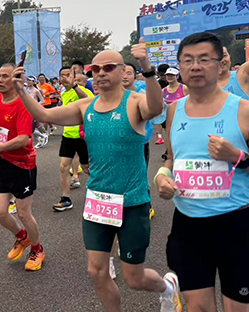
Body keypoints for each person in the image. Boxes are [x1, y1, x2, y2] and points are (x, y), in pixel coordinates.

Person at [13, 40, 183, 311]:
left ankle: (167, 288)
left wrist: (147, 68)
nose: (101, 73)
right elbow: (44, 114)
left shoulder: (135, 102)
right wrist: (21, 89)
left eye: (109, 67)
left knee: (134, 277)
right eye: (96, 69)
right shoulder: (86, 107)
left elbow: (154, 108)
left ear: (122, 71)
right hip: (98, 201)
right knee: (96, 271)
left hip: (132, 201)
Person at [155, 32, 249, 311]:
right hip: (188, 224)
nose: (195, 67)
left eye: (204, 59)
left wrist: (238, 157)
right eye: (187, 60)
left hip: (236, 223)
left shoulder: (245, 111)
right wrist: (161, 176)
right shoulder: (174, 110)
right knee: (198, 307)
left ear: (221, 64)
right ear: (179, 66)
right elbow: (172, 160)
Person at [0, 63, 45, 271]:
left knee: (23, 213)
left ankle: (37, 249)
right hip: (3, 161)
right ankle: (22, 237)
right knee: (0, 212)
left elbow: (24, 139)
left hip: (22, 164)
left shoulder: (23, 104)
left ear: (16, 79)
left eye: (5, 76)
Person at [53, 66, 92, 212]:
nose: (65, 78)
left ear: (74, 77)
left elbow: (87, 100)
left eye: (68, 75)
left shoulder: (82, 90)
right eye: (62, 75)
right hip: (68, 135)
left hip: (83, 137)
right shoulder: (64, 93)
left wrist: (75, 86)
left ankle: (99, 195)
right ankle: (66, 199)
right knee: (63, 167)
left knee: (88, 169)